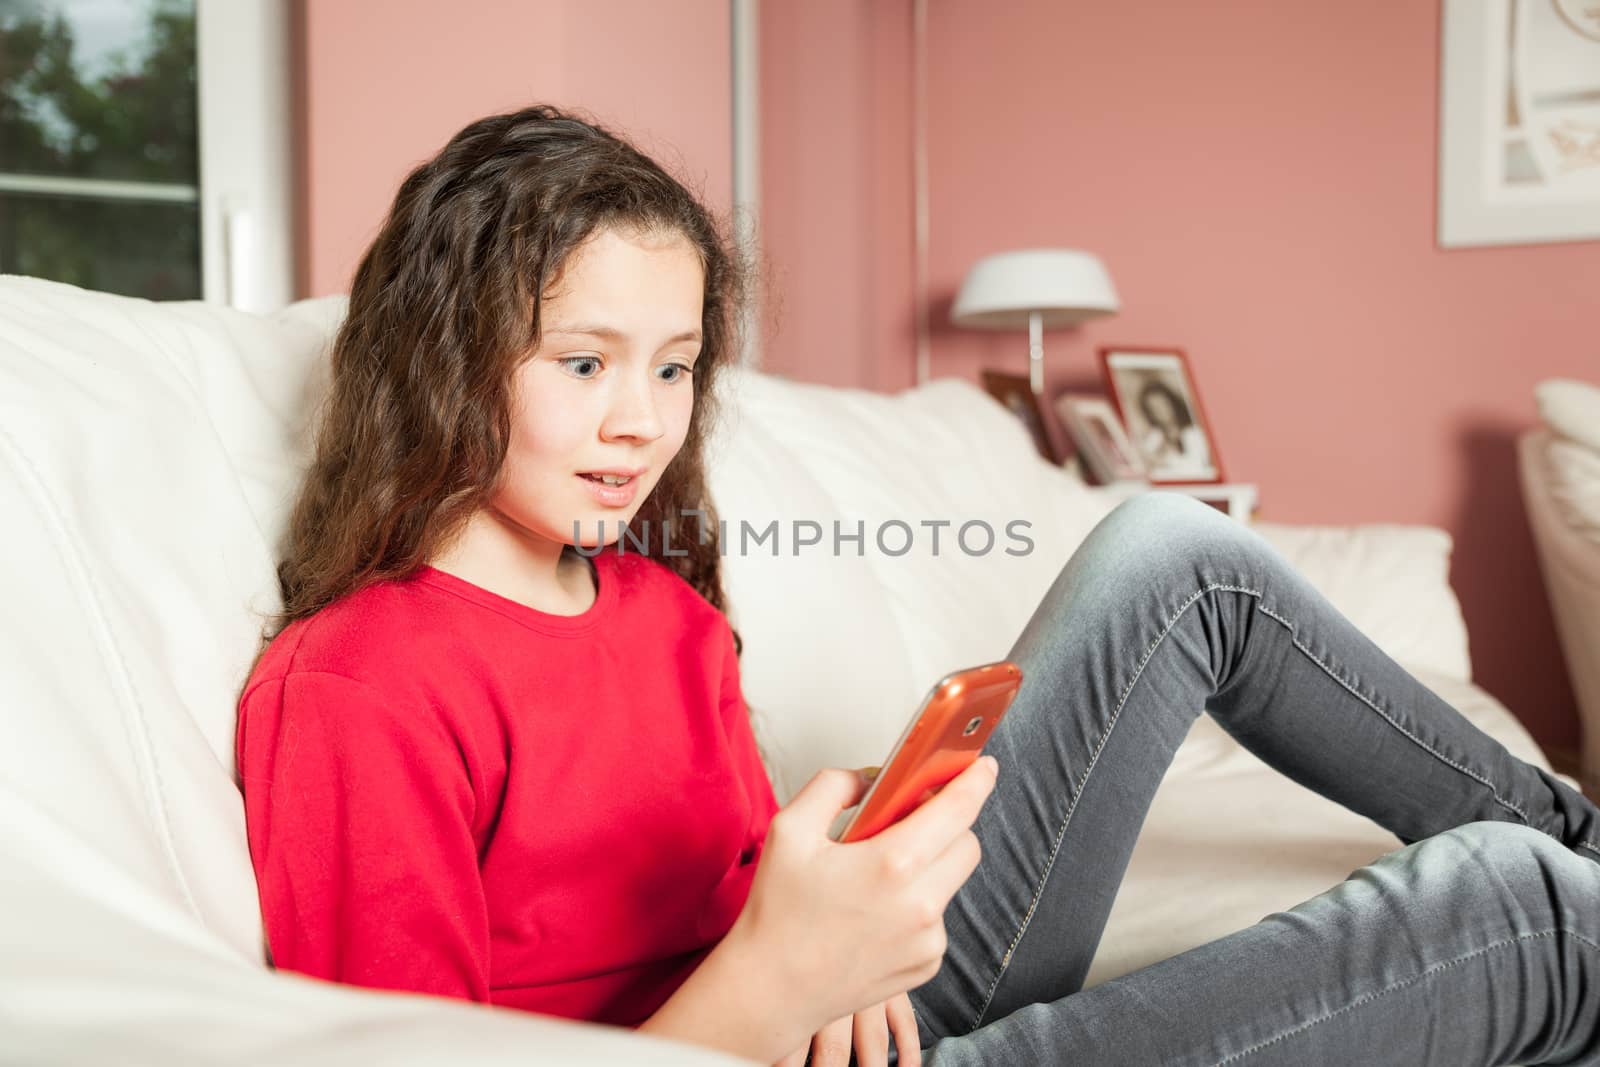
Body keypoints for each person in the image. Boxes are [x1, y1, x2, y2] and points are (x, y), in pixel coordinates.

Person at [235, 104, 1600, 1067]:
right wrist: (777, 976)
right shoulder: (365, 681)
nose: (642, 422)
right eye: (583, 363)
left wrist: (830, 901)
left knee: (1175, 558)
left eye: (671, 366)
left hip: (852, 1020)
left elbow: (730, 890)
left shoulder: (665, 616)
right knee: (1512, 909)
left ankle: (1582, 829)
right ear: (442, 359)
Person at [1135, 376, 1211, 477]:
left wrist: (1164, 462)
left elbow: (1197, 469)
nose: (1160, 411)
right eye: (1153, 408)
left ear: (1172, 402)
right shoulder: (1155, 437)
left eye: (1162, 404)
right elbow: (1142, 464)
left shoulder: (1193, 432)